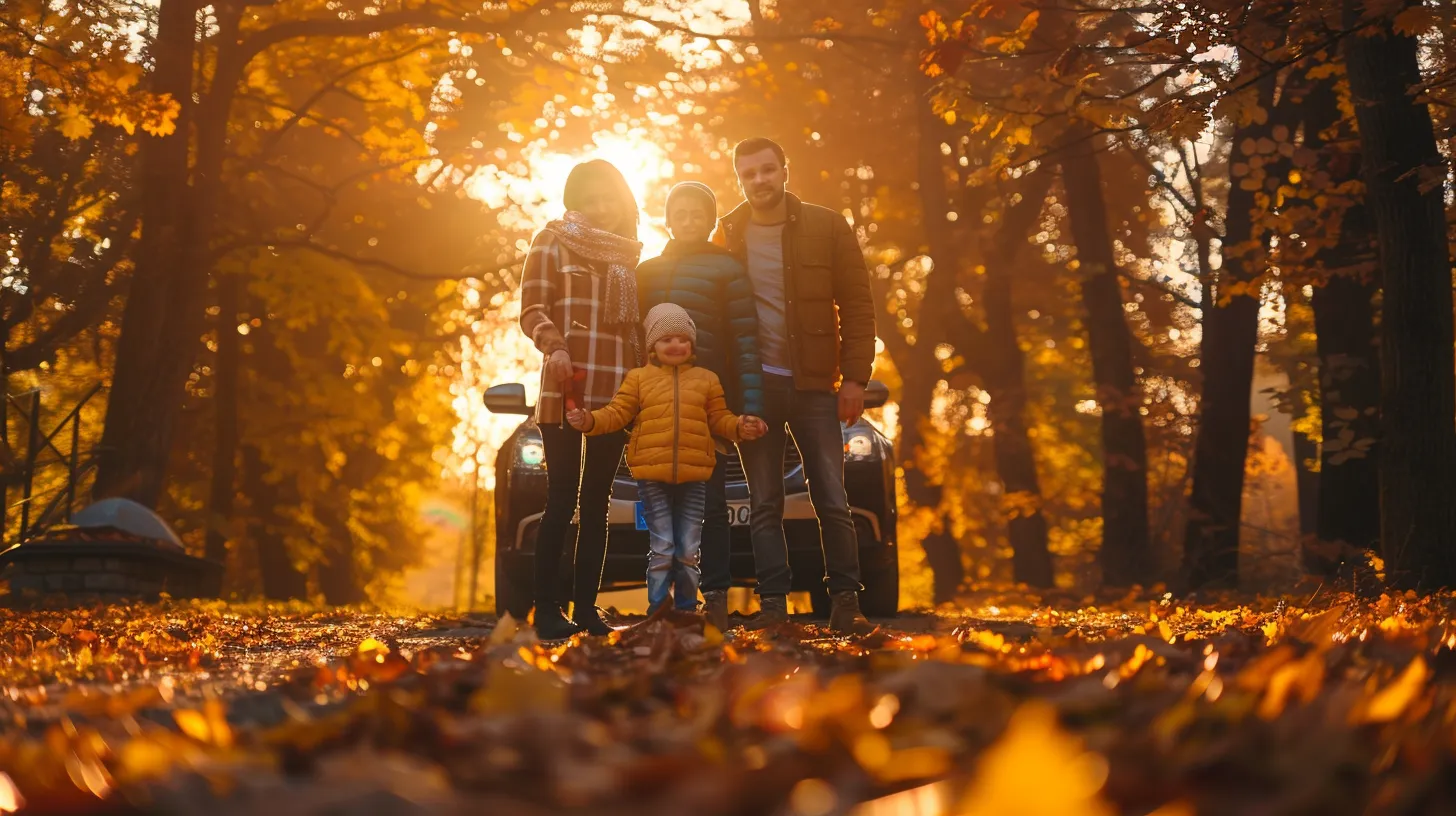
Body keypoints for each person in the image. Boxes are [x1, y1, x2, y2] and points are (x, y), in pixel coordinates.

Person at [713, 137, 879, 635]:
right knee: (764, 502)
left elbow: (857, 304)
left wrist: (854, 378)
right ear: (739, 179)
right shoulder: (728, 234)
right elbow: (715, 317)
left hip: (814, 388)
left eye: (767, 170)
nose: (759, 181)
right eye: (749, 174)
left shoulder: (827, 226)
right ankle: (773, 610)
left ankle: (846, 603)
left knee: (831, 496)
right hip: (755, 391)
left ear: (785, 170)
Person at [567, 304, 767, 615]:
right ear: (652, 347)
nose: (675, 345)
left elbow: (719, 419)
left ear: (692, 344)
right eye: (666, 340)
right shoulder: (638, 379)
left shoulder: (707, 380)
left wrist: (740, 426)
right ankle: (659, 611)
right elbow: (617, 413)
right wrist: (589, 421)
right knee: (662, 549)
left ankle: (685, 610)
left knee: (687, 551)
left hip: (695, 477)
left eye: (682, 339)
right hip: (652, 477)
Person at [519, 159, 644, 640]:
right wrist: (554, 345)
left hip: (615, 393)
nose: (601, 208)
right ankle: (547, 609)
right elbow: (531, 306)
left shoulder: (628, 257)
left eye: (608, 198)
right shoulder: (551, 241)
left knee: (597, 503)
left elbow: (633, 330)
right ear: (576, 202)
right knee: (561, 499)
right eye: (591, 200)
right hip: (566, 387)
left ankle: (587, 607)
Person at [635, 181, 764, 631]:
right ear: (667, 218)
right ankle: (665, 604)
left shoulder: (727, 270)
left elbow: (746, 339)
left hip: (708, 403)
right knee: (660, 512)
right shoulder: (647, 270)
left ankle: (714, 598)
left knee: (709, 507)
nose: (688, 220)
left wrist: (748, 404)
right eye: (680, 212)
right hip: (654, 407)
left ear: (711, 221)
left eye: (698, 213)